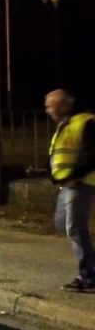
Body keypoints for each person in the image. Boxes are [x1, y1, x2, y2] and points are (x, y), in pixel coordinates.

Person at [45, 89, 95, 292]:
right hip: (67, 184)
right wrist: (53, 174)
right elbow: (56, 153)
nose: (48, 109)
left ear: (64, 105)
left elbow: (92, 154)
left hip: (80, 183)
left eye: (51, 105)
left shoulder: (86, 122)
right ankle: (90, 266)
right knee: (62, 225)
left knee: (75, 228)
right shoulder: (63, 125)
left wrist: (75, 175)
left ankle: (89, 278)